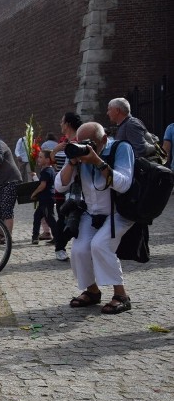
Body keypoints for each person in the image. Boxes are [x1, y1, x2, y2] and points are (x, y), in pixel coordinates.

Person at [56, 122, 134, 314]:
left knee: (100, 245)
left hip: (119, 213)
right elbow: (60, 186)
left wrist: (98, 161)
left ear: (104, 139)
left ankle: (121, 295)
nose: (87, 147)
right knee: (79, 250)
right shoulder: (79, 156)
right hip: (91, 213)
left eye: (91, 143)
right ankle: (92, 291)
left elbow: (123, 184)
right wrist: (72, 161)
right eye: (82, 143)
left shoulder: (120, 148)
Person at [50, 112, 83, 261]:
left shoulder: (78, 141)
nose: (60, 124)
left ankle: (61, 245)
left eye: (62, 122)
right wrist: (56, 150)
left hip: (75, 188)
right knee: (63, 218)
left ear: (68, 124)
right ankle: (60, 247)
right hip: (62, 187)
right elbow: (54, 162)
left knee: (71, 219)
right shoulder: (64, 142)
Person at [0, 135, 22, 244]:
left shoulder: (0, 145)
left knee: (6, 207)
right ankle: (1, 234)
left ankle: (8, 236)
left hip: (10, 179)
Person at [30, 150, 58, 245]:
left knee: (50, 218)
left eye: (41, 157)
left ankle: (58, 237)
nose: (38, 159)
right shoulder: (49, 170)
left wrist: (34, 193)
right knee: (37, 216)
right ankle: (35, 237)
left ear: (47, 160)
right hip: (45, 199)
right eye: (39, 157)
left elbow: (42, 185)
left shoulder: (46, 171)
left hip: (47, 199)